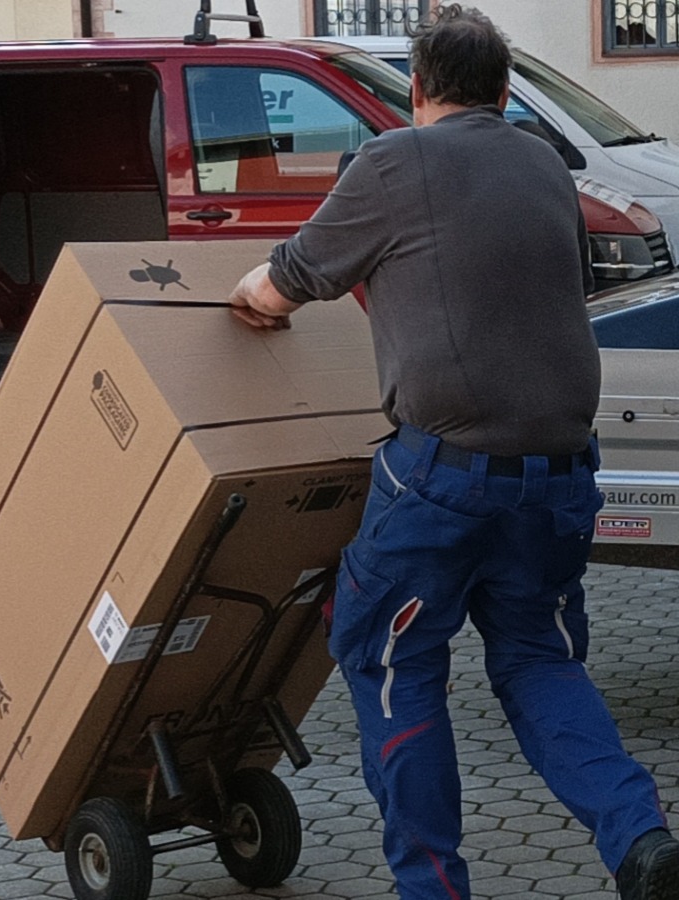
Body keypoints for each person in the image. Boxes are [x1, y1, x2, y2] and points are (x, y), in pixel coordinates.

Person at [228, 6, 677, 900]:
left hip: (444, 480)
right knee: (540, 660)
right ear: (505, 93)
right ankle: (642, 841)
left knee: (389, 660)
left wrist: (244, 297)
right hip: (560, 475)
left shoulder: (393, 162)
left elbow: (283, 285)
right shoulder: (545, 165)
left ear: (417, 90)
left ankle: (433, 888)